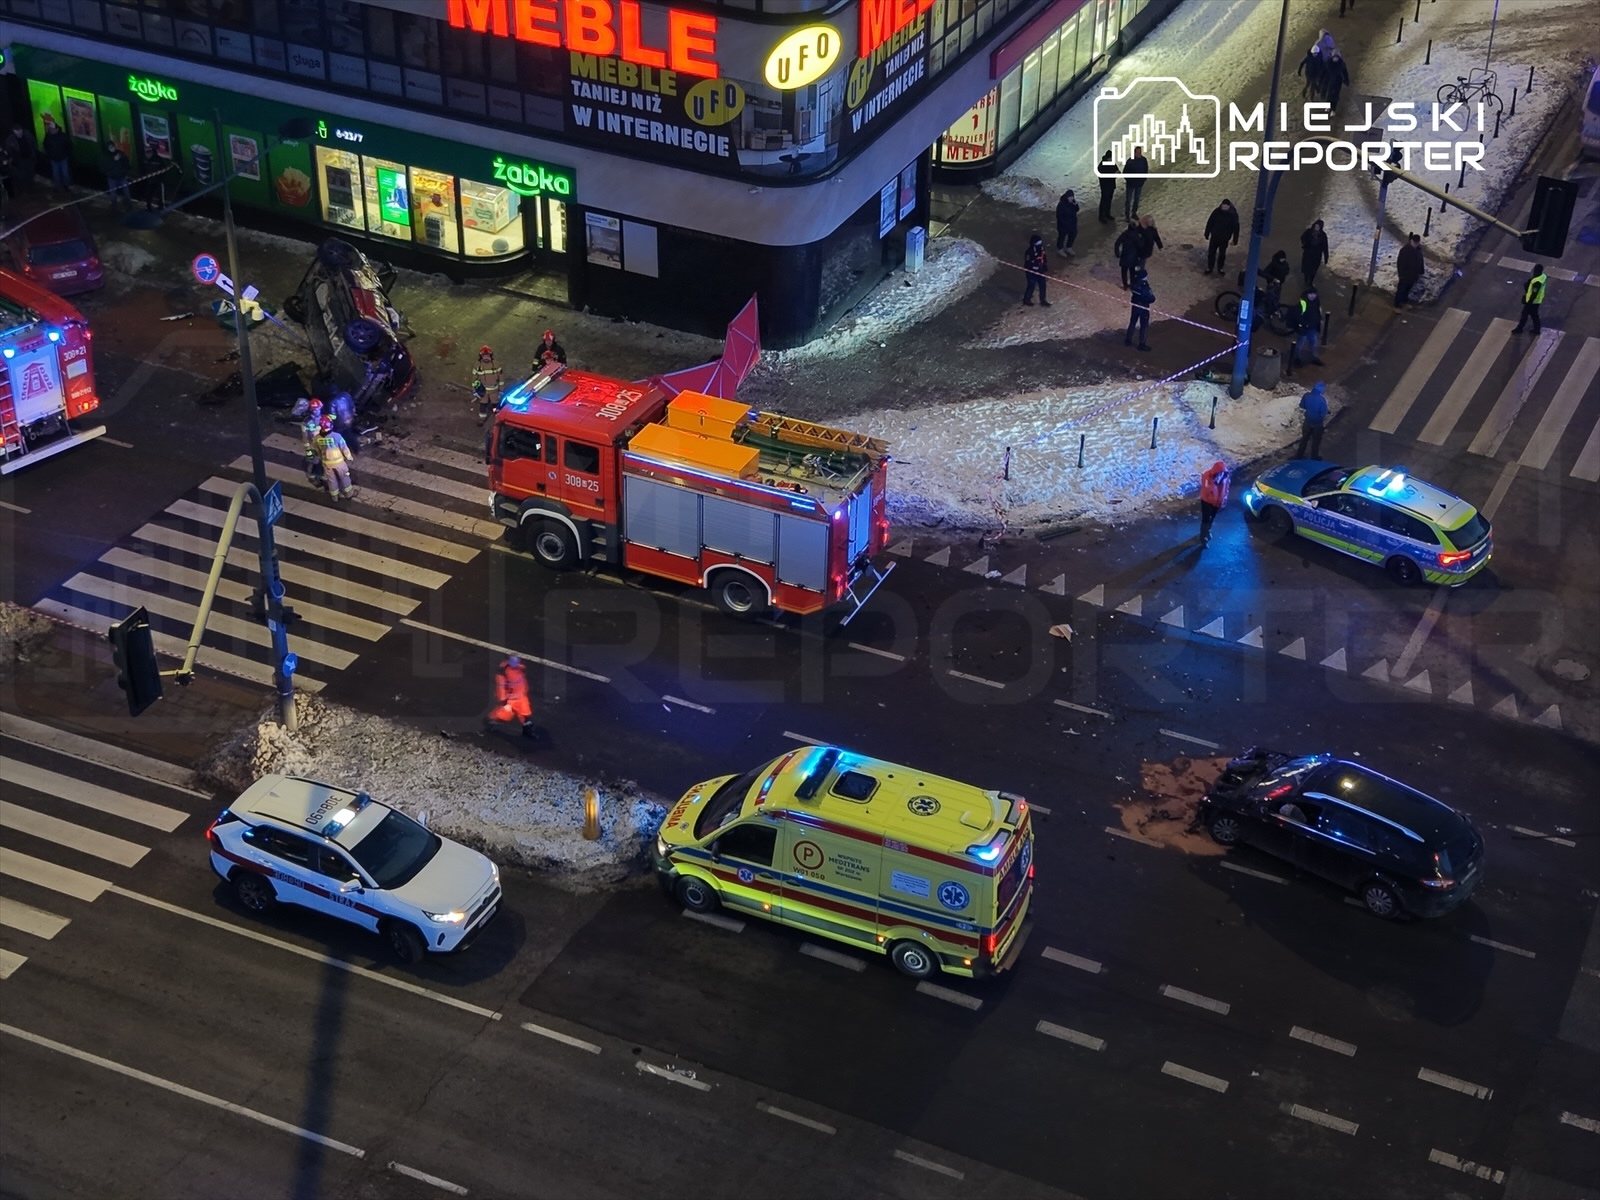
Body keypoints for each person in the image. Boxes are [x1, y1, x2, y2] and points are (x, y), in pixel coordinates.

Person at [487, 654, 536, 739]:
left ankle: (528, 731)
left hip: (521, 696)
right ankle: (490, 724)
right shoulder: (503, 672)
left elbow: (521, 680)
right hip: (511, 699)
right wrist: (504, 701)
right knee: (502, 715)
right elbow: (501, 687)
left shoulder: (518, 668)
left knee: (526, 715)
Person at [316, 416, 355, 502]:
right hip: (339, 462)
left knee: (331, 480)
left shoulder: (317, 438)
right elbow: (344, 448)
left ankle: (334, 497)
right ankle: (349, 494)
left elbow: (317, 450)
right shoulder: (336, 436)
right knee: (344, 478)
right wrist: (349, 457)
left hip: (327, 463)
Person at [1289, 287, 1324, 369]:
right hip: (1305, 328)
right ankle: (1297, 359)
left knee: (1314, 343)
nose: (1312, 296)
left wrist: (1319, 320)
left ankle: (1314, 357)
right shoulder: (1303, 303)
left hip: (1313, 327)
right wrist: (1305, 324)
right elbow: (1298, 316)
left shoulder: (1317, 302)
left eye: (1314, 294)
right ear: (1307, 294)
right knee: (1300, 344)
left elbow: (1318, 312)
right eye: (1310, 294)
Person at [1199, 459, 1230, 546]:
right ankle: (1203, 537)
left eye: (1222, 473)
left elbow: (1226, 488)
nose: (1221, 475)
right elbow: (1206, 491)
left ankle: (1207, 531)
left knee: (1212, 518)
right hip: (1207, 501)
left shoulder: (1225, 477)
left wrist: (1224, 499)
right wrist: (1214, 483)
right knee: (1206, 519)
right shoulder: (1207, 476)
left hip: (1217, 502)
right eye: (1219, 473)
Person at [1203, 199, 1239, 275]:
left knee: (1222, 254)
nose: (1224, 208)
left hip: (1224, 239)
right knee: (1211, 253)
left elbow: (1236, 228)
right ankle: (1210, 267)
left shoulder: (1233, 215)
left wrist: (1235, 240)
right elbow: (1210, 222)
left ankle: (1220, 268)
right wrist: (1207, 233)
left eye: (1226, 207)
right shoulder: (1216, 212)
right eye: (1223, 206)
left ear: (1229, 207)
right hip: (1215, 237)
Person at [1296, 381, 1329, 459]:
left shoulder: (1306, 396)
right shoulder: (1322, 400)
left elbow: (1302, 406)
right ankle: (1314, 456)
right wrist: (1319, 418)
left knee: (1304, 439)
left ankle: (1299, 455)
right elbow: (1323, 412)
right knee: (1316, 441)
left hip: (1307, 422)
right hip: (1317, 424)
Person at [1125, 267, 1154, 351]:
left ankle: (1128, 340)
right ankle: (1142, 344)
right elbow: (1151, 298)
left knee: (1132, 322)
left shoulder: (1134, 284)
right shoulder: (1145, 286)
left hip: (1135, 306)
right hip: (1143, 308)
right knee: (1144, 326)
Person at [1513, 264, 1547, 334]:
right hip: (1536, 301)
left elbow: (1534, 293)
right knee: (1534, 315)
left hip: (1533, 301)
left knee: (1525, 314)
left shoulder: (1537, 282)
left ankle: (1520, 328)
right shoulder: (1543, 276)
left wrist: (1528, 302)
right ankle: (1536, 329)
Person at [472, 345, 503, 421]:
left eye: (487, 355)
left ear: (490, 355)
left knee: (495, 405)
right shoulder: (477, 365)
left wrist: (501, 390)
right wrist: (474, 391)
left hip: (494, 391)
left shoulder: (496, 364)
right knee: (483, 405)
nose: (486, 357)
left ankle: (497, 417)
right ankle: (482, 418)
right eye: (484, 355)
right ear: (481, 356)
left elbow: (501, 378)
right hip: (483, 391)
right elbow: (474, 379)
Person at [41, 116, 71, 192]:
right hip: (53, 159)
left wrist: (66, 154)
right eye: (50, 129)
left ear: (57, 129)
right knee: (56, 174)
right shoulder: (48, 136)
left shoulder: (63, 136)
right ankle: (57, 187)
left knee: (65, 174)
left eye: (52, 129)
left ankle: (66, 186)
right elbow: (45, 145)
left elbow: (69, 146)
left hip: (63, 158)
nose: (51, 130)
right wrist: (49, 154)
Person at [1395, 233, 1424, 308]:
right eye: (1415, 243)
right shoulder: (1405, 250)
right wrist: (1401, 275)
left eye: (1417, 243)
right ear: (1411, 241)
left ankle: (1404, 301)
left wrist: (1421, 270)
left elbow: (1420, 260)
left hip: (1413, 274)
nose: (1416, 244)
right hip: (1406, 275)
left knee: (1407, 289)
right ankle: (1397, 305)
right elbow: (1401, 263)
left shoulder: (1418, 249)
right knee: (1401, 290)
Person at [101, 140, 131, 209]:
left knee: (126, 192)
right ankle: (114, 206)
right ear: (108, 149)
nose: (113, 148)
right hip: (112, 178)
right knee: (113, 193)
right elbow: (104, 167)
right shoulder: (106, 156)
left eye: (113, 146)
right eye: (111, 147)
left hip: (122, 177)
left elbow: (126, 163)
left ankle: (129, 206)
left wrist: (124, 172)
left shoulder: (120, 153)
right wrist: (113, 160)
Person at [300, 399, 325, 484]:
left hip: (322, 445)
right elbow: (305, 437)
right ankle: (311, 476)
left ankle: (321, 475)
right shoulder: (307, 422)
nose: (316, 411)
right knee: (313, 461)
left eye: (317, 409)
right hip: (312, 446)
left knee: (323, 461)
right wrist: (308, 450)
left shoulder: (324, 419)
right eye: (314, 409)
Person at [1022, 234, 1051, 306]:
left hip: (1040, 271)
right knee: (1031, 285)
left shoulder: (1042, 249)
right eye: (1038, 243)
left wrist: (1044, 265)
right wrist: (1034, 265)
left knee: (1042, 285)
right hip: (1031, 272)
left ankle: (1043, 300)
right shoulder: (1029, 252)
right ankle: (1026, 299)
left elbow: (1044, 258)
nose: (1039, 244)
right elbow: (1027, 264)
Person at [1114, 219, 1143, 289]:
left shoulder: (1124, 234)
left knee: (1124, 271)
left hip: (1125, 256)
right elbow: (1140, 246)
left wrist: (1117, 253)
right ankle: (1132, 285)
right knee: (1132, 272)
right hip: (1133, 257)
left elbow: (1117, 243)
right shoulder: (1137, 236)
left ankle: (1125, 285)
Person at [1300, 219, 1329, 288]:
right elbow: (1302, 238)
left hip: (1316, 256)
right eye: (1315, 226)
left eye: (1318, 227)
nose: (1316, 228)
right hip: (1308, 254)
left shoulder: (1323, 235)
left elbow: (1325, 246)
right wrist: (1305, 243)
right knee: (1306, 269)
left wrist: (1326, 257)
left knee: (1313, 270)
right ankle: (1306, 281)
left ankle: (1310, 282)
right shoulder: (1309, 232)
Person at [1123, 146, 1149, 219]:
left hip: (1139, 184)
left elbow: (1145, 170)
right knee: (1128, 199)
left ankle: (1134, 213)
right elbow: (1125, 172)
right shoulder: (1130, 161)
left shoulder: (1143, 160)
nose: (1139, 153)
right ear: (1134, 152)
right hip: (1131, 184)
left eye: (1140, 152)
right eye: (1138, 152)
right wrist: (1130, 180)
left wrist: (1143, 180)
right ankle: (1127, 214)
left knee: (1136, 199)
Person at [1055, 189, 1079, 254]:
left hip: (1072, 224)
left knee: (1073, 235)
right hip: (1064, 225)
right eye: (1070, 197)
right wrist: (1064, 223)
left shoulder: (1073, 202)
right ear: (1067, 197)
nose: (1071, 198)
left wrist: (1076, 205)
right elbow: (1059, 216)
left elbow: (1076, 210)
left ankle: (1069, 247)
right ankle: (1060, 249)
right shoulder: (1061, 205)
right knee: (1062, 237)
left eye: (1072, 197)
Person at [1097, 152, 1117, 223]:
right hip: (1105, 187)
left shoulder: (1111, 163)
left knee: (1109, 200)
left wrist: (1117, 172)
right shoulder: (1102, 166)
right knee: (1104, 201)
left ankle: (1107, 214)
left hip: (1111, 185)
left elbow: (1115, 169)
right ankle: (1101, 216)